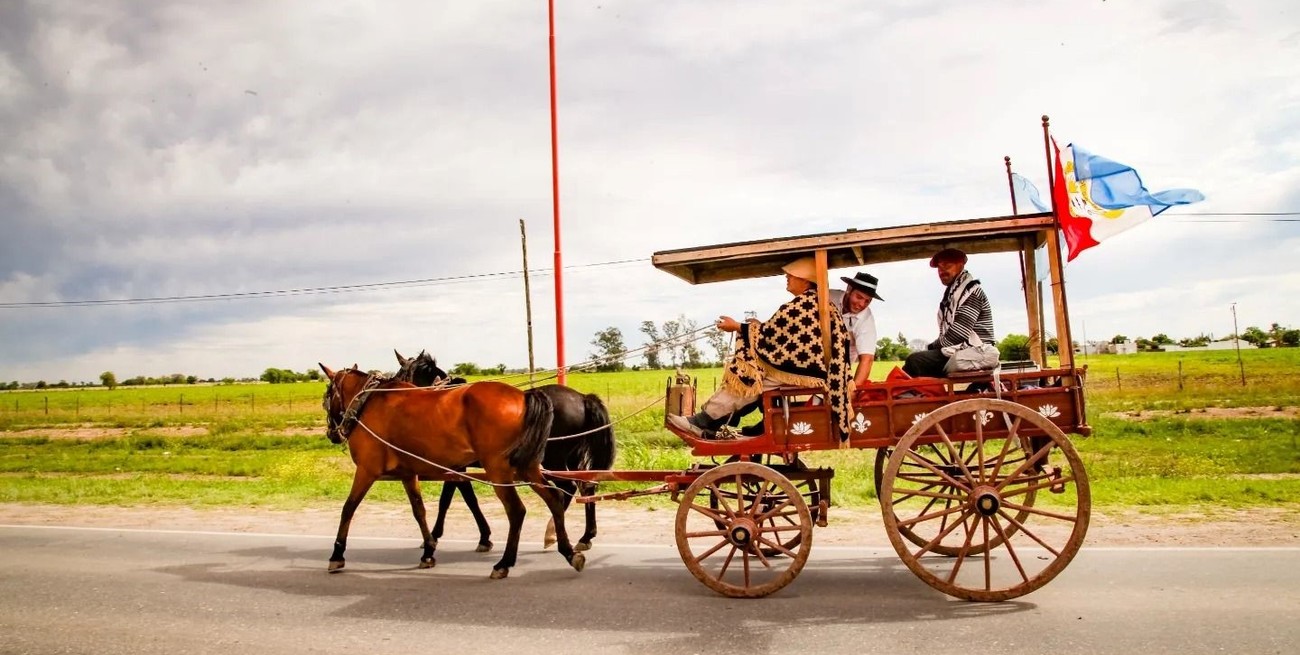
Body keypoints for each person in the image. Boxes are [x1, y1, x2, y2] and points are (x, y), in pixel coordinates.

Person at [667, 256, 853, 439]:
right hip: (816, 370)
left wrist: (738, 326)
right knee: (755, 375)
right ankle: (731, 422)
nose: (786, 278)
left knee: (747, 377)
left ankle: (704, 421)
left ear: (804, 279)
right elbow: (782, 335)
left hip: (806, 372)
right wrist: (757, 327)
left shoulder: (802, 304)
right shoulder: (816, 303)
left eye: (791, 275)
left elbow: (771, 334)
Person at [903, 248, 1000, 378]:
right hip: (960, 349)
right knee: (920, 361)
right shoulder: (953, 294)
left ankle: (904, 395)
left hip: (975, 350)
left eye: (947, 266)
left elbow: (958, 334)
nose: (942, 272)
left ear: (961, 265)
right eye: (939, 268)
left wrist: (932, 347)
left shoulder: (971, 292)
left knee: (915, 361)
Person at [830, 271, 883, 390]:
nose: (861, 304)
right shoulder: (828, 296)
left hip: (841, 364)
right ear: (849, 289)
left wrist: (853, 391)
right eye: (859, 297)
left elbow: (867, 359)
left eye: (867, 301)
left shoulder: (866, 319)